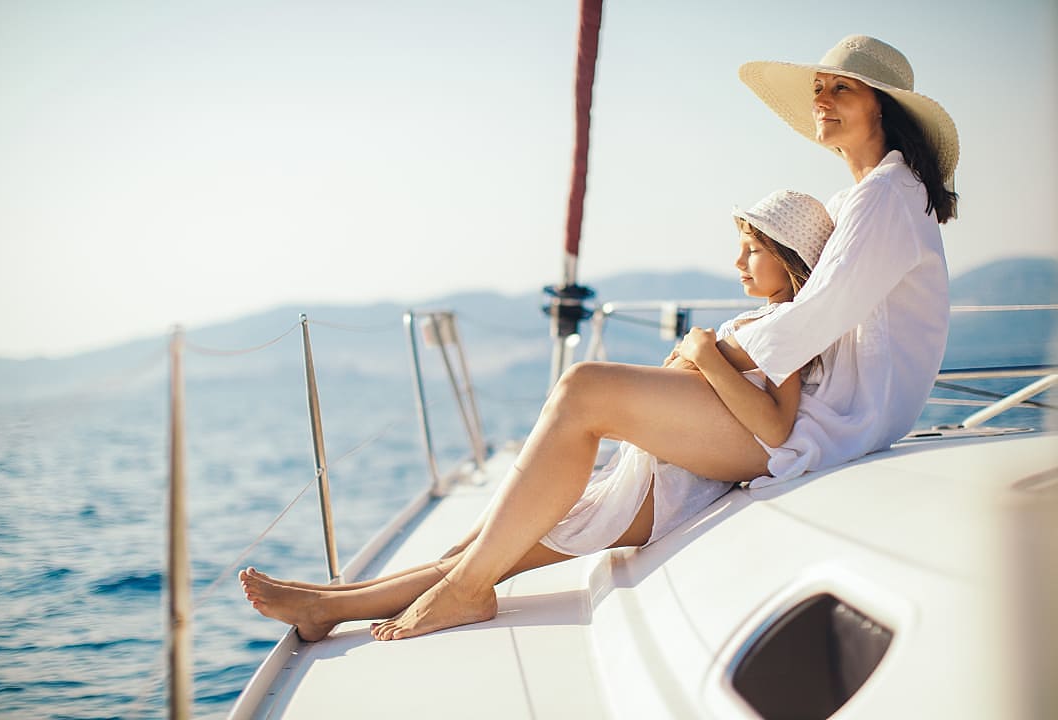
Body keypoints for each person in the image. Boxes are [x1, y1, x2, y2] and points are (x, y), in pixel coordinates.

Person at [243, 33, 958, 642]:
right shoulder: (859, 199)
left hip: (826, 428)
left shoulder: (888, 199)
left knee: (584, 389)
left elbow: (813, 316)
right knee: (496, 536)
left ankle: (452, 593)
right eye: (820, 88)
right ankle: (328, 605)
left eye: (843, 90)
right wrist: (702, 364)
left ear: (883, 109)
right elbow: (802, 317)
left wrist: (701, 355)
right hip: (811, 416)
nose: (822, 99)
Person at [241, 190, 834, 642]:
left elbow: (777, 426)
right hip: (654, 471)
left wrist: (703, 354)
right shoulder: (761, 320)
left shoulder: (788, 326)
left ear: (789, 259)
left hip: (675, 487)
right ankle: (327, 596)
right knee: (476, 547)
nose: (738, 261)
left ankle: (329, 608)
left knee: (491, 557)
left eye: (754, 250)